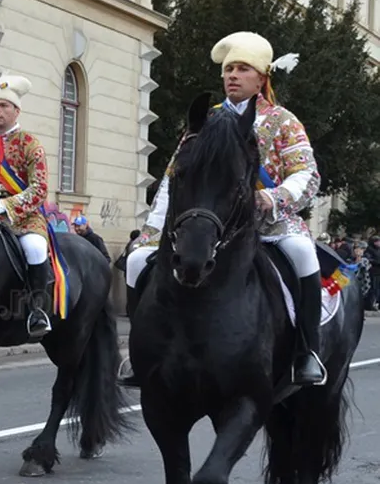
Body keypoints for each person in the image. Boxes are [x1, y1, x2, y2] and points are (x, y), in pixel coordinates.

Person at [121, 31, 324, 386]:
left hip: (267, 224)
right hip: (209, 225)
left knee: (304, 253)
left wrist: (273, 198)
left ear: (261, 78)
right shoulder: (205, 120)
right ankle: (141, 352)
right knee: (138, 260)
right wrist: (153, 230)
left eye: (243, 69)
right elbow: (174, 176)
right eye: (229, 69)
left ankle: (306, 352)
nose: (232, 75)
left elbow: (306, 173)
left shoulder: (282, 120)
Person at [0, 74, 54, 337]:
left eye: (3, 106)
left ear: (16, 111)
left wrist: (6, 205)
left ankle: (37, 310)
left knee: (35, 248)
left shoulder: (31, 145)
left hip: (22, 218)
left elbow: (40, 189)